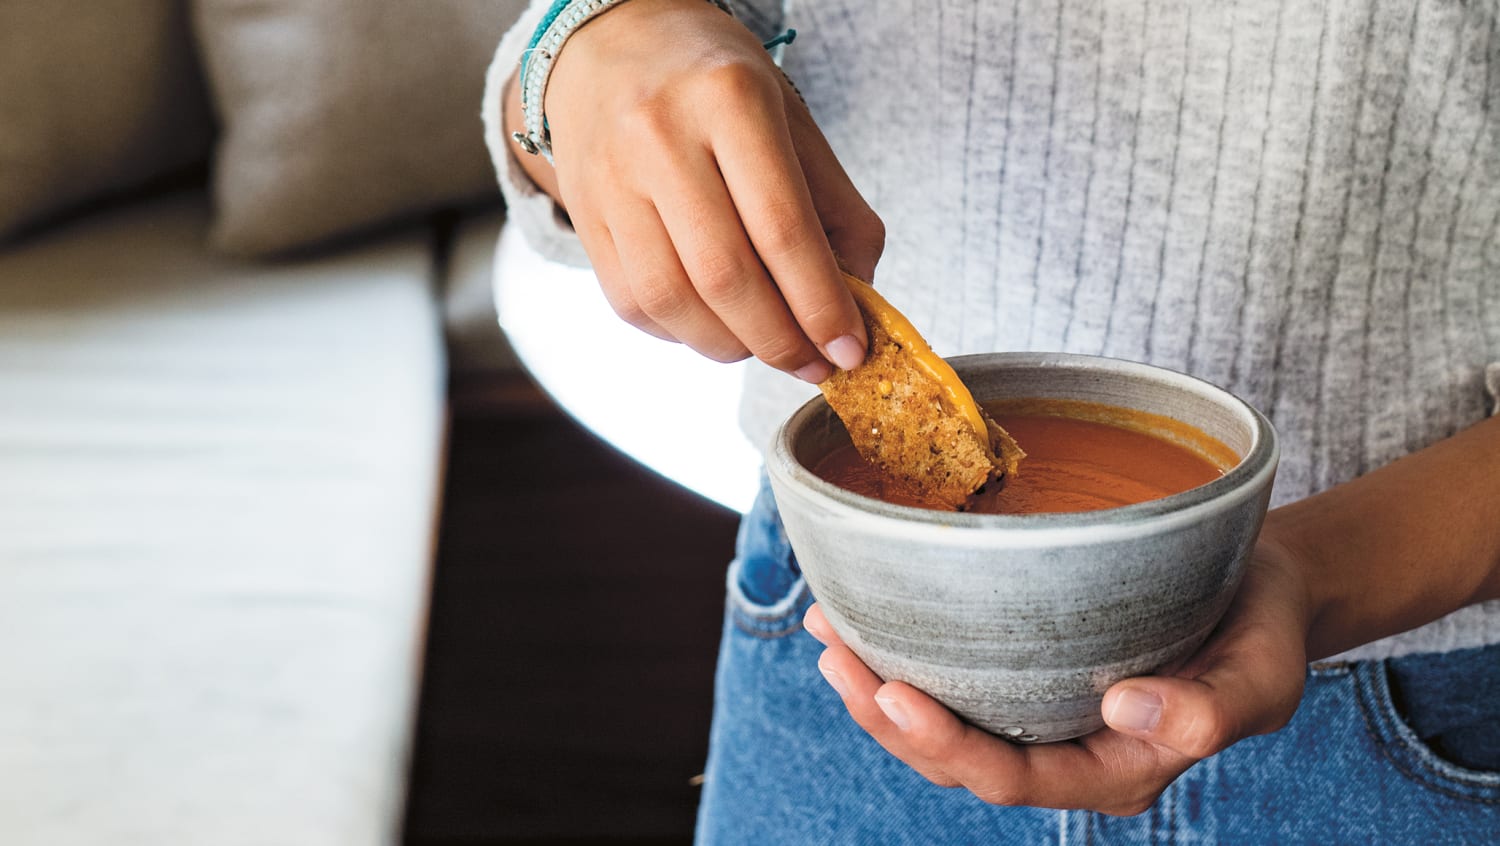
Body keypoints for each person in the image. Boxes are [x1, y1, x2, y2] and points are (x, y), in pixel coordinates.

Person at [483, 0, 1500, 841]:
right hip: (845, 654)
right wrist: (590, 53)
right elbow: (579, 62)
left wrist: (1308, 572)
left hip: (1421, 715)